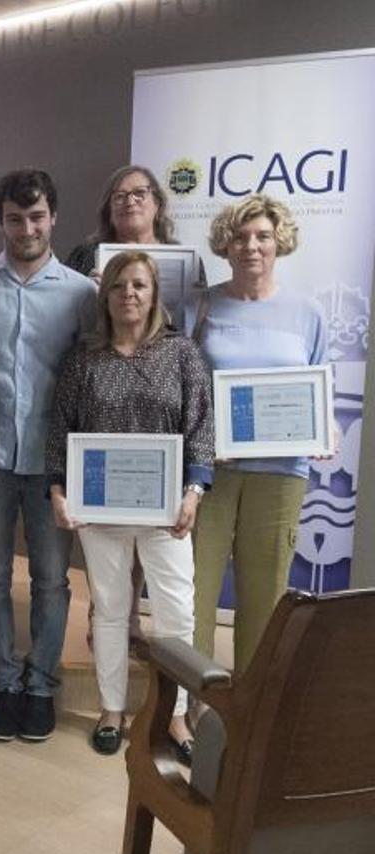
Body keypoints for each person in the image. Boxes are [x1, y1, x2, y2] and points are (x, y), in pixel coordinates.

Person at [47, 252, 213, 761]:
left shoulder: (181, 354)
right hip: (101, 514)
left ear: (154, 293)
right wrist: (58, 491)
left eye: (139, 285)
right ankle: (112, 709)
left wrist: (194, 490)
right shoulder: (83, 361)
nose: (129, 295)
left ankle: (177, 714)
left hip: (166, 513)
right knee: (112, 612)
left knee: (176, 615)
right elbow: (61, 434)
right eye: (119, 286)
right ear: (106, 296)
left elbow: (201, 427)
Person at [0, 169, 96, 744]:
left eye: (37, 217)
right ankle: (4, 681)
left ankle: (41, 685)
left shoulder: (82, 294)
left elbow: (95, 371)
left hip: (52, 463)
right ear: (1, 221)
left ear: (53, 218)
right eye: (15, 218)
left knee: (52, 579)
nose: (27, 228)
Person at [186, 195, 330, 675]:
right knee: (193, 595)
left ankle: (250, 716)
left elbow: (318, 389)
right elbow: (182, 384)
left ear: (279, 242)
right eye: (241, 237)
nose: (252, 246)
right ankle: (189, 709)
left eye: (263, 236)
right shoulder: (200, 306)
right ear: (225, 246)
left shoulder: (307, 312)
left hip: (281, 474)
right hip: (211, 474)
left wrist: (321, 428)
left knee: (265, 600)